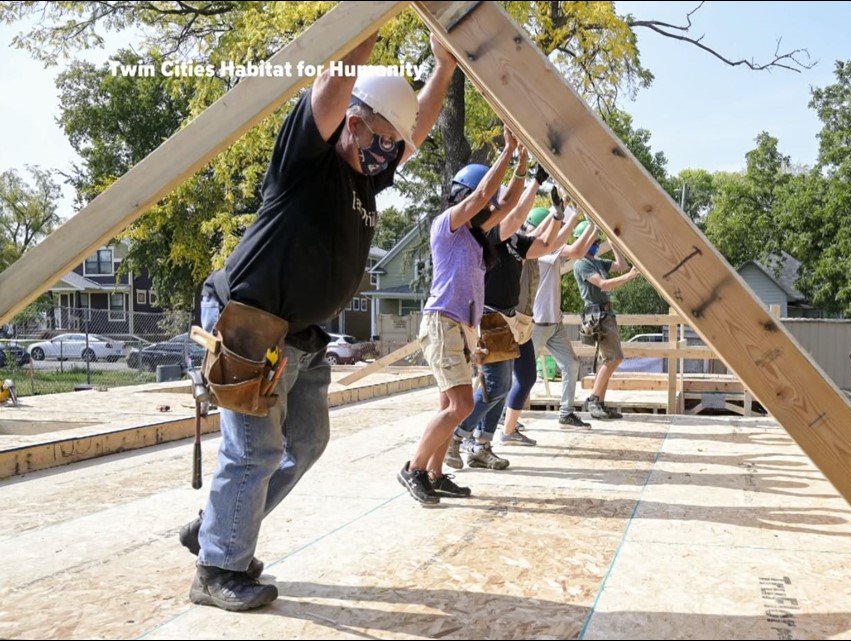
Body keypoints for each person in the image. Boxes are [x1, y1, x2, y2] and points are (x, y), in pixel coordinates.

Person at [178, 33, 458, 612]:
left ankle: (218, 527)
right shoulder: (306, 159)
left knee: (306, 441)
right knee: (253, 450)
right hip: (249, 323)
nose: (389, 151)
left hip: (299, 337)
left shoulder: (365, 178)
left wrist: (445, 65)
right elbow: (330, 84)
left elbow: (419, 126)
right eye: (381, 137)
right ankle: (216, 568)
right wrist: (370, 22)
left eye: (392, 144)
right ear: (352, 121)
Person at [396, 132, 528, 505]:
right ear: (463, 196)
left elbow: (506, 203)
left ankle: (436, 475)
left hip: (462, 327)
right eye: (477, 200)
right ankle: (414, 469)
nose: (486, 209)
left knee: (449, 406)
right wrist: (507, 149)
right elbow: (487, 196)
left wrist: (520, 163)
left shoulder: (476, 235)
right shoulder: (447, 225)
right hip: (443, 321)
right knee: (462, 405)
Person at [444, 171, 565, 471]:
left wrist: (559, 215)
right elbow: (514, 214)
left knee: (500, 384)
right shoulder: (487, 235)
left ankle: (481, 445)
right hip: (487, 316)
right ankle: (457, 436)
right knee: (497, 384)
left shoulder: (512, 241)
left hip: (505, 320)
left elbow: (546, 245)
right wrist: (533, 179)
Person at [499, 201, 596, 444]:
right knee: (520, 376)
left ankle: (565, 412)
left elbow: (578, 251)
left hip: (554, 322)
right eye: (555, 224)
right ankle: (504, 416)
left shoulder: (547, 250)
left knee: (571, 365)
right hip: (537, 324)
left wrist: (593, 225)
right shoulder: (539, 252)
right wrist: (578, 215)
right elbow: (575, 251)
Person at [573, 225, 641, 420]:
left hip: (606, 315)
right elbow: (603, 284)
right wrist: (629, 277)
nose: (595, 245)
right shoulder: (582, 264)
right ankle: (594, 399)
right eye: (592, 242)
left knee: (609, 359)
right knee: (614, 358)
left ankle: (599, 403)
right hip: (598, 316)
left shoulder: (597, 262)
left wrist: (612, 241)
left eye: (596, 242)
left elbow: (622, 265)